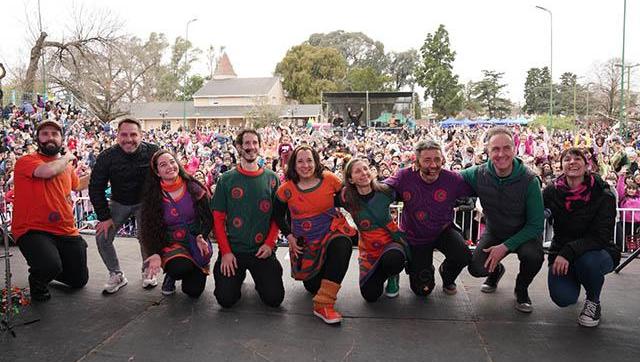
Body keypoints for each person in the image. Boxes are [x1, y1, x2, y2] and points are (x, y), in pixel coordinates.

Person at [461, 127, 545, 313]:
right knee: (476, 268)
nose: (501, 154)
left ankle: (521, 289)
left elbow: (536, 225)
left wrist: (505, 246)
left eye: (506, 148)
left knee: (533, 256)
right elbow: (449, 180)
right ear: (488, 152)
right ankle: (496, 271)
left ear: (514, 149)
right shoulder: (477, 173)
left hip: (525, 234)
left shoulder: (530, 180)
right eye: (495, 149)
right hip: (496, 230)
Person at [274, 145, 356, 324]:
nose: (305, 165)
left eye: (309, 160)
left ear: (316, 161)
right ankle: (323, 282)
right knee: (312, 286)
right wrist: (289, 236)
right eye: (300, 161)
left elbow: (349, 197)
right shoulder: (286, 189)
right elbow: (277, 214)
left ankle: (324, 304)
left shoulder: (330, 179)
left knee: (343, 244)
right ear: (293, 165)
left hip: (331, 233)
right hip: (307, 244)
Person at [12, 120, 91, 301]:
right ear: (37, 138)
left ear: (61, 139)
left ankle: (49, 269)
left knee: (79, 280)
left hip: (65, 229)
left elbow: (77, 185)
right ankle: (38, 280)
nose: (50, 138)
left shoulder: (65, 166)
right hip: (33, 228)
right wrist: (67, 157)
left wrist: (100, 173)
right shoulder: (26, 161)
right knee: (49, 265)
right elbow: (46, 172)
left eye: (54, 134)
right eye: (45, 134)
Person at [543, 147, 620, 327]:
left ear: (587, 166)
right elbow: (535, 214)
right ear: (561, 165)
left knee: (588, 262)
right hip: (562, 250)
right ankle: (577, 276)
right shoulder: (551, 192)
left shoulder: (603, 194)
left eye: (577, 159)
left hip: (598, 251)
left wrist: (568, 252)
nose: (572, 162)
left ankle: (593, 301)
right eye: (567, 159)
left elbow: (601, 236)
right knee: (563, 298)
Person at [384, 140, 473, 297]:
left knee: (463, 255)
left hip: (443, 230)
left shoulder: (452, 179)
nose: (433, 165)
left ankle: (447, 275)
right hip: (415, 236)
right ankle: (423, 268)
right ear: (416, 162)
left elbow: (481, 186)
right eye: (427, 160)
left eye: (437, 159)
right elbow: (379, 190)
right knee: (422, 291)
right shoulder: (404, 176)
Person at [211, 129, 284, 308]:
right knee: (225, 300)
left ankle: (261, 279)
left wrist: (269, 243)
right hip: (233, 251)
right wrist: (226, 252)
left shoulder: (272, 179)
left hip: (261, 250)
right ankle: (237, 276)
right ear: (238, 147)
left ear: (259, 146)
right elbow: (218, 220)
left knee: (274, 299)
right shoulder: (226, 180)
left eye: (254, 143)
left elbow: (278, 217)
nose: (251, 147)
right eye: (246, 143)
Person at [89, 117, 160, 294]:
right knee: (102, 237)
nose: (129, 139)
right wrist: (104, 218)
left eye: (133, 134)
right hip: (119, 202)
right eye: (124, 135)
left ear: (141, 135)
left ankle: (147, 270)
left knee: (146, 236)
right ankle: (116, 274)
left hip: (145, 202)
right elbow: (95, 186)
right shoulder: (107, 156)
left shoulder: (153, 151)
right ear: (117, 136)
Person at [139, 150, 213, 298]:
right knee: (179, 267)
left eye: (172, 162)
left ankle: (191, 269)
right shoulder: (153, 195)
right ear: (157, 172)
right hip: (170, 242)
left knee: (193, 291)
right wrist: (154, 253)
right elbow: (147, 228)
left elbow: (208, 218)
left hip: (194, 239)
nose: (170, 166)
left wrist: (201, 235)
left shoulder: (194, 188)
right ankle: (172, 275)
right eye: (163, 164)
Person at [339, 158, 408, 302]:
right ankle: (381, 274)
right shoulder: (347, 198)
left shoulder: (386, 191)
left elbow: (410, 197)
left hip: (391, 242)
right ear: (351, 180)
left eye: (366, 168)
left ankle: (392, 276)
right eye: (358, 171)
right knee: (370, 295)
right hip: (368, 249)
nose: (364, 173)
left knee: (394, 259)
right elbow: (325, 200)